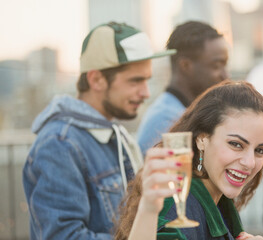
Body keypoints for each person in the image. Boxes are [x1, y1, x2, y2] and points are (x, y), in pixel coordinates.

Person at [22, 22, 175, 239]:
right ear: (96, 79)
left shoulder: (110, 133)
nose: (146, 92)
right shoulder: (59, 144)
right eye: (136, 81)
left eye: (147, 80)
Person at [115, 80, 263, 240]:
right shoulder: (176, 209)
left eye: (260, 150)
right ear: (202, 139)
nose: (250, 162)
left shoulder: (219, 201)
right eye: (236, 144)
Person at [137, 20, 229, 156]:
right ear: (185, 65)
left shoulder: (184, 113)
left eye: (225, 65)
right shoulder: (167, 121)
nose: (225, 75)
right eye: (216, 66)